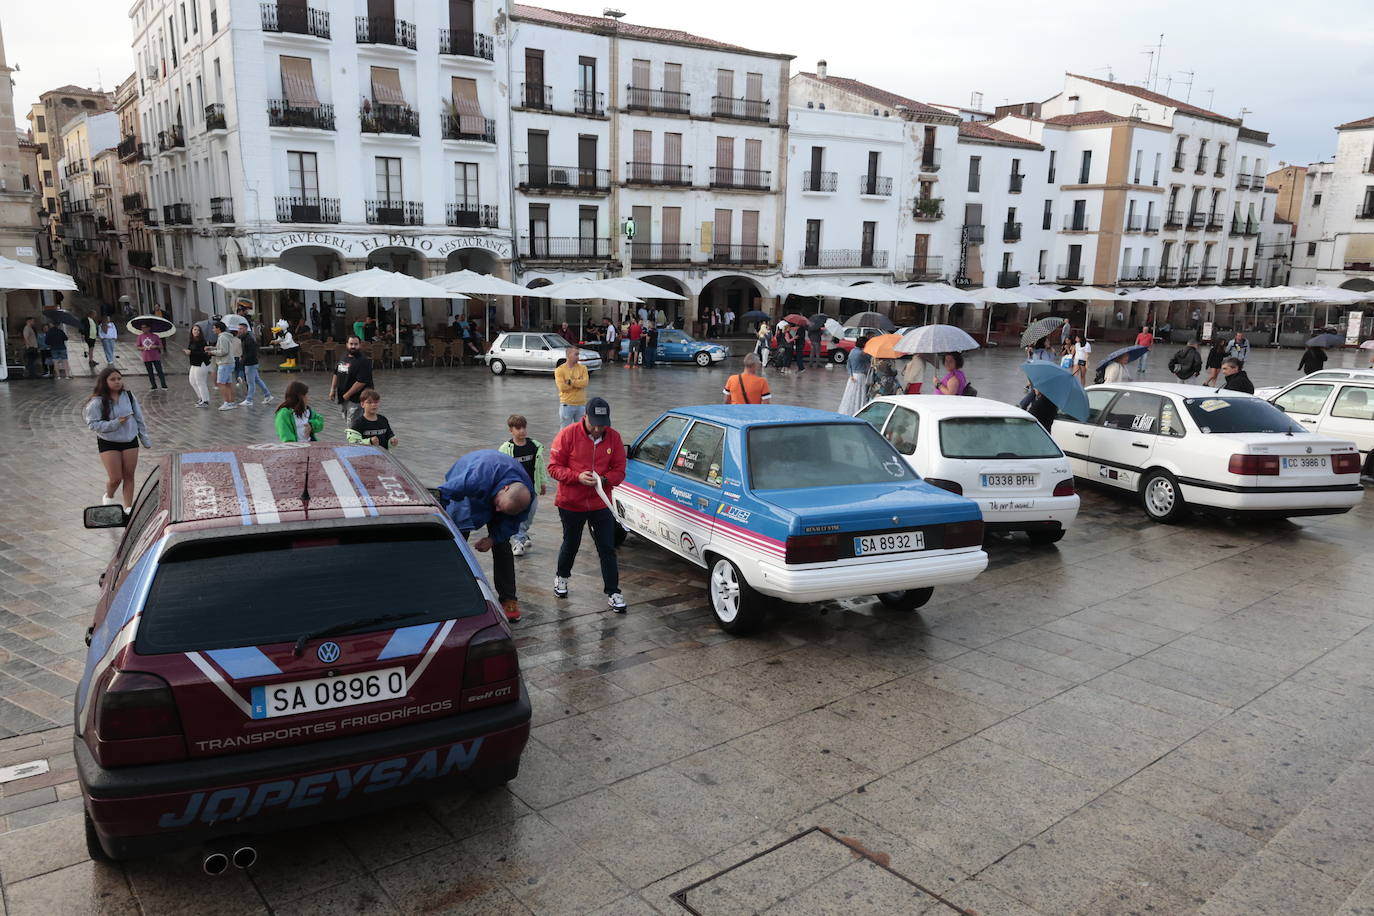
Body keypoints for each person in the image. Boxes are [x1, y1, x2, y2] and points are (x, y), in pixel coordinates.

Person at [548, 397, 627, 612]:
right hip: (571, 503)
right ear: (586, 417)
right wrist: (576, 477)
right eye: (595, 423)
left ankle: (613, 591)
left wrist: (604, 480)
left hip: (600, 503)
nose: (598, 428)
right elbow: (554, 467)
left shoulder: (614, 438)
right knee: (571, 543)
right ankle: (561, 577)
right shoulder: (568, 434)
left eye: (603, 424)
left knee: (607, 548)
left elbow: (620, 469)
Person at [438, 452, 531, 623]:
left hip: (500, 495)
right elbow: (444, 493)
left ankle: (508, 599)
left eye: (501, 510)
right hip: (470, 480)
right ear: (505, 489)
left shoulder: (524, 497)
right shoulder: (475, 478)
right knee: (457, 539)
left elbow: (510, 524)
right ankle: (449, 593)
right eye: (497, 505)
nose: (496, 511)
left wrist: (493, 539)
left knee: (503, 546)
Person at [84, 367, 148, 511]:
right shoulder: (97, 402)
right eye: (113, 379)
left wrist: (144, 438)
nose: (117, 382)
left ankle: (128, 508)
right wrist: (115, 423)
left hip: (130, 441)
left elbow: (139, 418)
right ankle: (109, 495)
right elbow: (93, 425)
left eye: (119, 378)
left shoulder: (128, 396)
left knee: (129, 475)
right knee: (116, 478)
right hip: (108, 442)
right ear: (104, 382)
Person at [498, 414, 547, 557]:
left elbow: (540, 466)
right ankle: (518, 541)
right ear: (511, 430)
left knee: (529, 515)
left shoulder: (534, 446)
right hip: (515, 491)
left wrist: (542, 483)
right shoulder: (506, 449)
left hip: (532, 488)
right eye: (518, 428)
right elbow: (501, 470)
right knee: (517, 515)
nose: (522, 431)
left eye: (523, 427)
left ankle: (523, 534)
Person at [329, 335, 373, 422]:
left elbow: (361, 382)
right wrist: (332, 390)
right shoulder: (343, 356)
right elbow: (336, 373)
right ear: (346, 344)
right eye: (351, 344)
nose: (353, 346)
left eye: (356, 344)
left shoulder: (363, 361)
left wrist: (347, 395)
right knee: (348, 423)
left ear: (360, 345)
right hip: (344, 398)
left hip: (357, 400)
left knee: (354, 427)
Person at [207, 319, 241, 410]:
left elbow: (223, 351)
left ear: (218, 329)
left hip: (225, 363)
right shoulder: (226, 337)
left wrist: (212, 352)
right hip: (228, 363)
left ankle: (227, 402)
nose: (213, 330)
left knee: (221, 383)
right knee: (228, 383)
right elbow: (222, 348)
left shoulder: (222, 337)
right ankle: (232, 402)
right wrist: (211, 348)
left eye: (214, 328)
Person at [237, 324, 273, 406]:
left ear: (246, 329)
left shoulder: (249, 339)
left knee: (250, 382)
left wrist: (243, 360)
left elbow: (251, 353)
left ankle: (249, 400)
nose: (239, 330)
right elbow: (246, 352)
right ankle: (268, 395)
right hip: (250, 363)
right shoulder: (244, 338)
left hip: (250, 364)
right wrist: (242, 357)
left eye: (241, 328)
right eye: (238, 328)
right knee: (257, 380)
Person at [838, 334, 872, 415]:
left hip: (852, 377)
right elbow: (870, 361)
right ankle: (859, 410)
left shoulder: (852, 351)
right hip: (861, 376)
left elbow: (848, 365)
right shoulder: (862, 354)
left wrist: (851, 375)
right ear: (864, 344)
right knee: (860, 394)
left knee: (850, 395)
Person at [555, 346, 589, 426]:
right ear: (568, 355)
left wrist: (570, 382)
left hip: (581, 404)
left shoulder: (583, 368)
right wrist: (578, 382)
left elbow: (585, 383)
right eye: (576, 354)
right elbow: (562, 387)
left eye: (578, 354)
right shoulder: (560, 370)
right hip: (567, 405)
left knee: (582, 429)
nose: (578, 357)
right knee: (565, 430)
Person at [184, 323, 212, 407]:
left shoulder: (201, 341)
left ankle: (205, 401)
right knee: (192, 381)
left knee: (200, 382)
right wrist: (188, 352)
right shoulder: (192, 340)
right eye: (195, 329)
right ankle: (201, 397)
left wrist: (191, 352)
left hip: (201, 363)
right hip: (194, 363)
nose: (196, 331)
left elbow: (204, 354)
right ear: (192, 331)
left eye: (198, 330)